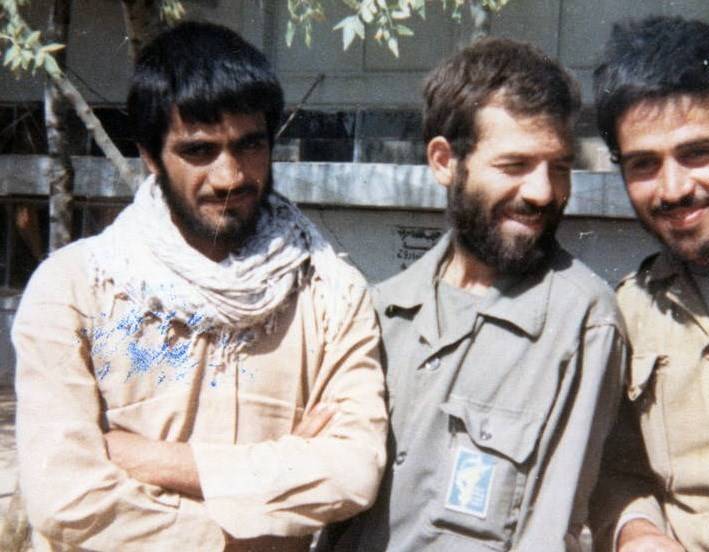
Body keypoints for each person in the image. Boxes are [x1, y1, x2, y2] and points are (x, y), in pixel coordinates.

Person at [12, 21, 387, 551]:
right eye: (199, 151)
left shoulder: (330, 291)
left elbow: (352, 471)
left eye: (250, 145)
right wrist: (266, 494)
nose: (230, 176)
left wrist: (161, 462)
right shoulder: (76, 289)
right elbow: (68, 498)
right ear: (150, 155)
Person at [319, 37, 627, 551]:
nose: (543, 192)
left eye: (559, 166)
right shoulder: (376, 312)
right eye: (515, 165)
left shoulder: (581, 323)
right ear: (444, 161)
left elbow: (551, 534)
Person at [590, 16, 709, 552]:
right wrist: (637, 532)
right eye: (644, 164)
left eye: (697, 152)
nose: (674, 188)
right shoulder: (630, 312)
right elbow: (618, 470)